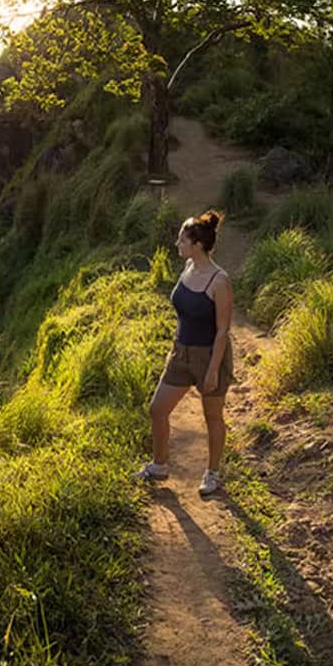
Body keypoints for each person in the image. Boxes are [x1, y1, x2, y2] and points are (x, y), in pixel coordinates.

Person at [136, 210, 235, 494]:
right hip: (181, 354)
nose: (177, 243)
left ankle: (212, 474)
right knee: (157, 409)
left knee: (212, 417)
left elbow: (222, 331)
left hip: (208, 357)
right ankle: (159, 466)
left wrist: (214, 370)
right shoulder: (188, 268)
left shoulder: (219, 281)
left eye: (182, 239)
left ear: (198, 245)